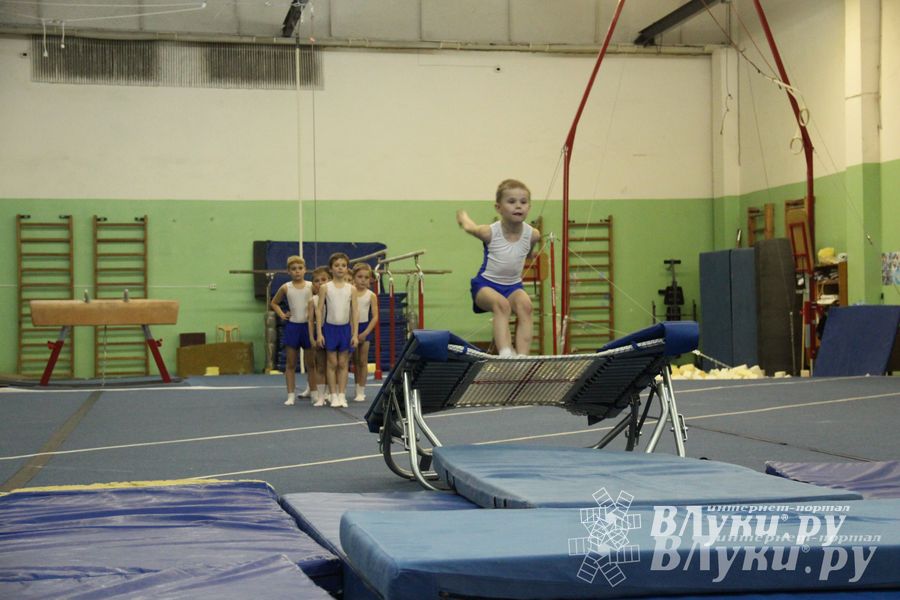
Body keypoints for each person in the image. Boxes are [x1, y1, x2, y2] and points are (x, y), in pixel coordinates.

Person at [457, 178, 541, 357]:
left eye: (523, 202)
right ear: (498, 208)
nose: (518, 206)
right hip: (485, 285)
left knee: (526, 306)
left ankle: (523, 358)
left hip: (513, 286)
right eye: (511, 202)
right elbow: (471, 228)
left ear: (529, 207)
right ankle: (505, 353)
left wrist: (530, 254)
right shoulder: (489, 232)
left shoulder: (533, 234)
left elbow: (528, 252)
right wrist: (463, 218)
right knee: (502, 305)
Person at [270, 255, 314, 406]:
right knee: (290, 363)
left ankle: (312, 391)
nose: (297, 272)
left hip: (308, 327)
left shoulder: (311, 286)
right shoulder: (286, 287)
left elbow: (321, 301)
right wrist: (282, 314)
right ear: (288, 271)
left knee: (311, 364)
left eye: (300, 268)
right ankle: (290, 395)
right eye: (294, 269)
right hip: (293, 327)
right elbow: (274, 303)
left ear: (305, 270)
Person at [316, 252, 358, 408]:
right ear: (331, 269)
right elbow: (319, 310)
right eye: (337, 266)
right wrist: (319, 333)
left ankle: (342, 395)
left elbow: (355, 311)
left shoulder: (351, 289)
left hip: (345, 329)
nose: (340, 268)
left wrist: (354, 334)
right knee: (332, 363)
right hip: (330, 328)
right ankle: (333, 395)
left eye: (343, 266)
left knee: (343, 363)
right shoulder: (325, 288)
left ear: (347, 268)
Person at [351, 263, 379, 402]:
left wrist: (366, 331)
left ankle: (361, 391)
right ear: (353, 278)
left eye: (366, 277)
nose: (363, 280)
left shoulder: (371, 295)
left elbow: (375, 316)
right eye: (360, 277)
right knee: (354, 360)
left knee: (362, 361)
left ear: (370, 280)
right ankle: (357, 387)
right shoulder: (349, 292)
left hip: (365, 328)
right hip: (350, 327)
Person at [308, 265, 332, 407]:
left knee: (333, 364)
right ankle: (321, 395)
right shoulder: (313, 300)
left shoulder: (335, 297)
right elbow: (311, 321)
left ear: (330, 281)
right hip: (320, 332)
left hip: (333, 331)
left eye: (324, 280)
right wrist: (312, 337)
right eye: (317, 281)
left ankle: (332, 392)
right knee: (321, 365)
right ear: (313, 284)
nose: (320, 283)